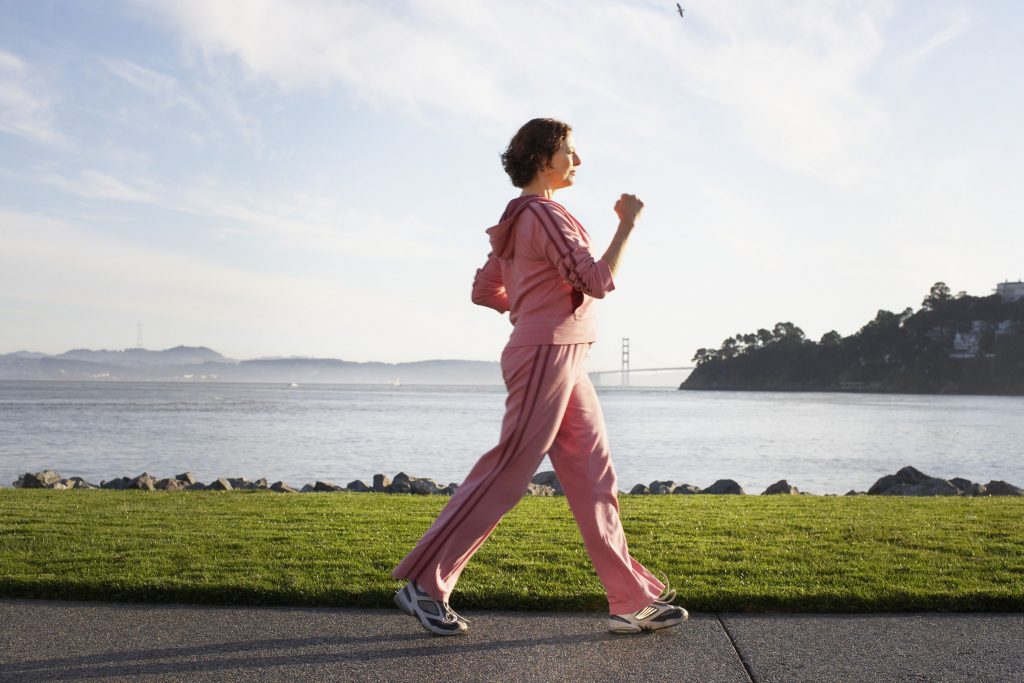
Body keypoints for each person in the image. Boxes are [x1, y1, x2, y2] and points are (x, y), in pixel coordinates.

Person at [392, 118, 687, 636]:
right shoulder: (544, 214)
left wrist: (532, 305)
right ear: (543, 158)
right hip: (547, 355)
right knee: (507, 472)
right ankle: (425, 585)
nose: (578, 161)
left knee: (595, 477)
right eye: (570, 151)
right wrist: (627, 225)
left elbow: (486, 291)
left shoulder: (517, 219)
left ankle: (629, 599)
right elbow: (596, 280)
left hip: (563, 355)